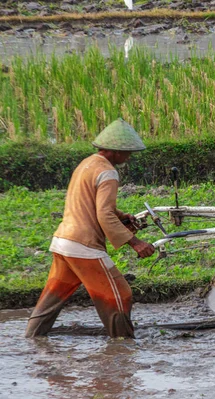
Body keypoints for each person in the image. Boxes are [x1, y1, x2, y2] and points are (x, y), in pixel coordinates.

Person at [25, 118, 155, 339]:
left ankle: (32, 338)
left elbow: (90, 204)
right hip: (83, 246)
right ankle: (122, 346)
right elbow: (103, 213)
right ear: (115, 151)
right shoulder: (108, 173)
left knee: (53, 296)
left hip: (63, 240)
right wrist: (136, 243)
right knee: (120, 295)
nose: (129, 157)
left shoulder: (86, 164)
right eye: (127, 152)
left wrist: (120, 215)